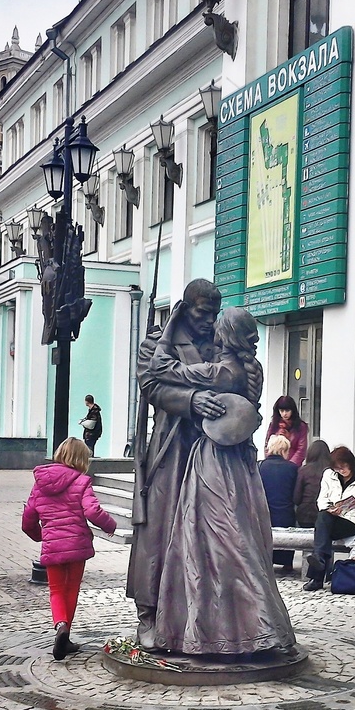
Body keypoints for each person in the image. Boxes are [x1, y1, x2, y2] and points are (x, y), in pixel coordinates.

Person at [152, 307, 296, 653]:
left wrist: (170, 326)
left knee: (213, 543)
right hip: (240, 464)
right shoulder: (250, 369)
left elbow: (160, 367)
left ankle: (231, 632)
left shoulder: (220, 373)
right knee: (236, 537)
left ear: (225, 335)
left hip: (214, 462)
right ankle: (249, 626)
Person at [128, 278, 222, 650]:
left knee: (211, 535)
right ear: (184, 308)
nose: (209, 320)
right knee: (159, 532)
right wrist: (192, 401)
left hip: (214, 450)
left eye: (214, 314)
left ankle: (204, 620)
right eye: (203, 312)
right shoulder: (156, 344)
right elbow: (151, 385)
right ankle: (149, 614)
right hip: (172, 449)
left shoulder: (220, 343)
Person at [22, 437, 117, 661]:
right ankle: (66, 637)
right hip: (76, 545)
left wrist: (41, 536)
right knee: (71, 589)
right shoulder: (81, 481)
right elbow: (92, 511)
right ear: (81, 458)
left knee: (55, 590)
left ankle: (61, 626)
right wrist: (110, 526)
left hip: (53, 545)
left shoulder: (40, 484)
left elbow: (28, 518)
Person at [305, 445, 355, 592]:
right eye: (337, 468)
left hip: (352, 521)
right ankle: (319, 560)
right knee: (323, 517)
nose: (341, 471)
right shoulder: (328, 475)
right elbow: (321, 499)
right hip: (332, 517)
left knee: (322, 531)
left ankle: (317, 576)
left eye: (343, 467)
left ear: (351, 463)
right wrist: (330, 508)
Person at [259, 434, 299, 573]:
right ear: (283, 450)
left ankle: (266, 562)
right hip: (285, 513)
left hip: (265, 512)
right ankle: (287, 563)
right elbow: (295, 493)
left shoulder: (261, 466)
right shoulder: (292, 468)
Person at [292, 438, 331, 530]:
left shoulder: (304, 470)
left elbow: (296, 498)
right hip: (326, 514)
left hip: (306, 514)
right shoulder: (331, 471)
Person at [264, 396, 308, 467]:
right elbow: (267, 445)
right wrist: (270, 462)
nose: (284, 414)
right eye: (281, 411)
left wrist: (290, 465)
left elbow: (301, 450)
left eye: (287, 411)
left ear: (292, 411)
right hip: (274, 464)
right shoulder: (274, 424)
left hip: (293, 466)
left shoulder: (301, 426)